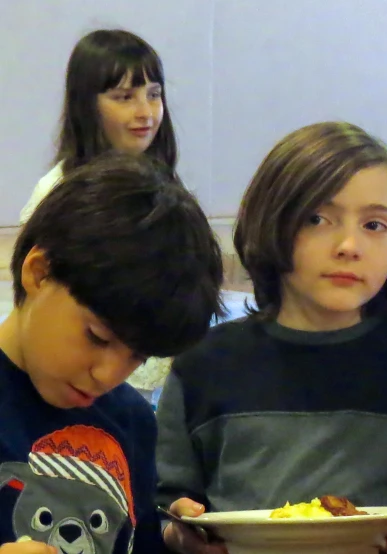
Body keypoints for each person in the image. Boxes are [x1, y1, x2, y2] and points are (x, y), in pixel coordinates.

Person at [156, 122, 387, 554]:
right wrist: (178, 532)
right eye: (317, 219)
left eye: (375, 224)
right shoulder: (204, 362)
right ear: (271, 222)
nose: (348, 245)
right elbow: (165, 506)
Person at [0, 152, 224, 553]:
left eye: (137, 357)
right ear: (38, 272)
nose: (108, 375)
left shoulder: (130, 421)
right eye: (98, 337)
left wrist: (175, 541)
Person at [20, 29, 177, 224]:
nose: (146, 113)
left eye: (153, 95)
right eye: (125, 97)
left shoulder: (169, 187)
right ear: (86, 106)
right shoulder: (54, 193)